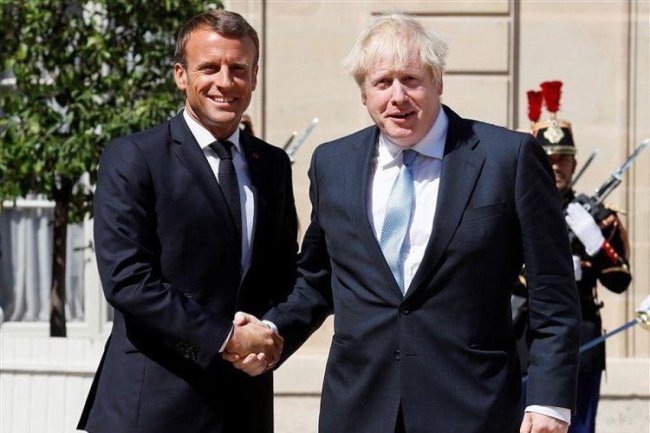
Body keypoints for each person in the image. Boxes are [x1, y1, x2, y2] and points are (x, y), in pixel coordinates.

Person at [226, 13, 580, 433]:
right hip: (358, 409)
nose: (398, 97)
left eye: (411, 80)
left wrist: (550, 400)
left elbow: (552, 290)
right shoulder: (332, 164)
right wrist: (270, 330)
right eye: (382, 82)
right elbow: (318, 280)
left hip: (471, 408)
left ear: (438, 81)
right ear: (364, 94)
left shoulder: (508, 157)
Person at [78, 10, 297, 433]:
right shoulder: (134, 157)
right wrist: (226, 337)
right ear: (181, 75)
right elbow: (128, 281)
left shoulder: (272, 165)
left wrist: (269, 335)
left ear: (254, 77)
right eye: (209, 68)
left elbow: (283, 276)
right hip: (153, 409)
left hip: (243, 407)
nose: (225, 82)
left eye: (238, 69)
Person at [516, 107, 631, 433]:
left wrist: (595, 243)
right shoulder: (514, 208)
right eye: (548, 158)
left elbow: (621, 281)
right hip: (524, 337)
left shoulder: (597, 217)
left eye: (563, 160)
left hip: (581, 337)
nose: (555, 166)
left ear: (574, 164)